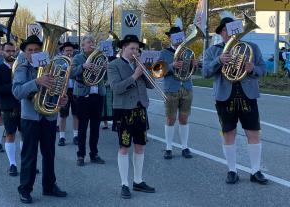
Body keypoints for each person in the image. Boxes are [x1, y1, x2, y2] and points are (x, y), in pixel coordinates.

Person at [202, 16, 268, 185]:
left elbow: (263, 70)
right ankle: (232, 170)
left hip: (248, 94)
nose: (229, 33)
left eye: (232, 29)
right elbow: (205, 73)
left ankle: (255, 171)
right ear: (221, 33)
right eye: (225, 30)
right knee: (228, 133)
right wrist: (218, 61)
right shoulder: (214, 50)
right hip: (224, 96)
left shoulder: (252, 47)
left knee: (253, 133)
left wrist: (253, 68)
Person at [12, 35, 68, 204]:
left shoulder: (52, 66)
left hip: (49, 116)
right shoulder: (22, 68)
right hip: (30, 117)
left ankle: (49, 186)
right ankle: (25, 189)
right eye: (30, 50)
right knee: (29, 155)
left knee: (49, 154)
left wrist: (62, 100)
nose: (34, 53)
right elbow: (17, 92)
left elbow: (58, 89)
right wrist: (36, 81)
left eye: (37, 50)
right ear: (25, 52)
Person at [108, 34, 156, 199]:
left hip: (140, 108)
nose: (135, 51)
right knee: (124, 147)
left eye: (137, 49)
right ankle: (124, 184)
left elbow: (151, 85)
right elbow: (115, 88)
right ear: (123, 48)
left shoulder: (139, 64)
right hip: (123, 109)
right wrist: (135, 75)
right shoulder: (114, 65)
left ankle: (138, 180)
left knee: (140, 145)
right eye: (132, 48)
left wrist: (146, 70)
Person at [157, 26, 197, 159]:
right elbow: (157, 72)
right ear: (170, 38)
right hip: (171, 89)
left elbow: (191, 72)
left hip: (186, 87)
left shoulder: (188, 52)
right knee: (170, 118)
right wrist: (171, 65)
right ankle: (168, 147)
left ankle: (185, 147)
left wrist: (193, 65)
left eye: (180, 36)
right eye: (174, 36)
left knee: (184, 118)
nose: (178, 39)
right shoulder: (164, 52)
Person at [70, 34, 106, 166]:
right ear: (83, 45)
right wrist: (83, 66)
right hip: (82, 96)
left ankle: (94, 154)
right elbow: (71, 73)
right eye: (88, 42)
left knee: (96, 127)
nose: (91, 44)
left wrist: (106, 69)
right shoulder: (78, 57)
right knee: (83, 127)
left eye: (92, 42)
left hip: (98, 94)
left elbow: (105, 76)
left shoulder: (100, 57)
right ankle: (81, 155)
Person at [0, 42, 20, 176]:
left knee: (26, 135)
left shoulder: (20, 66)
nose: (11, 53)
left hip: (23, 105)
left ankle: (27, 162)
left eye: (13, 51)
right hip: (8, 106)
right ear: (2, 52)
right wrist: (13, 86)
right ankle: (13, 164)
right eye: (8, 51)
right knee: (10, 135)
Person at [58, 41, 79, 146]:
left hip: (75, 90)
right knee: (63, 115)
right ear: (63, 52)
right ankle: (62, 137)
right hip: (63, 90)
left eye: (71, 50)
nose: (69, 52)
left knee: (76, 114)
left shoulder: (75, 61)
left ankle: (76, 135)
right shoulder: (59, 62)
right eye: (67, 51)